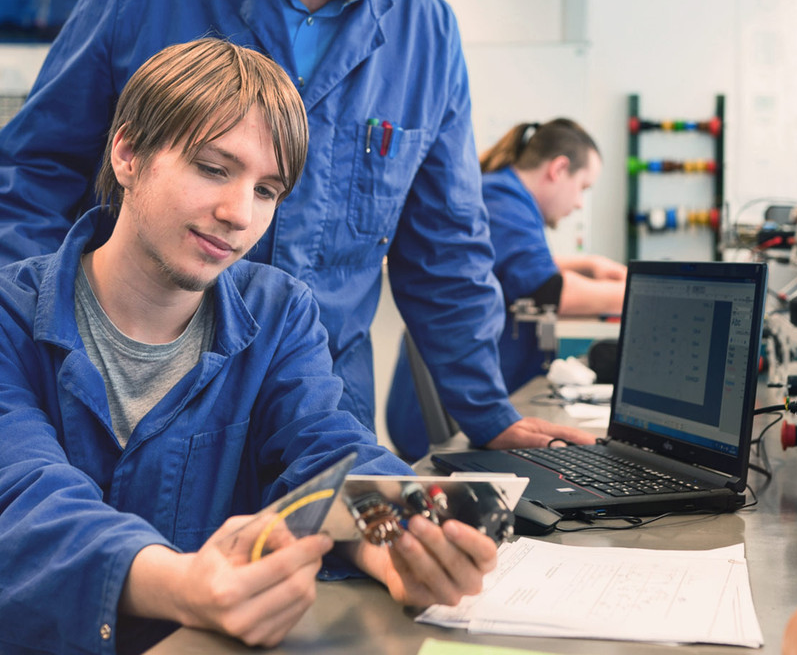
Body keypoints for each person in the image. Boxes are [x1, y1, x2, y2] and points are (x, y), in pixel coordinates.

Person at [0, 0, 590, 454]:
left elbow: (447, 249)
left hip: (320, 402)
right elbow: (36, 176)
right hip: (130, 390)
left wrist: (490, 415)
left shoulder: (426, 34)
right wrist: (36, 347)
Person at [0, 39, 498, 655]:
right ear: (128, 154)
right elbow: (22, 496)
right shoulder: (9, 316)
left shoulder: (280, 314)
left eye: (267, 190)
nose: (239, 214)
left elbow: (327, 453)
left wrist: (397, 544)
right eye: (213, 168)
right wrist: (185, 583)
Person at [387, 119, 626, 460]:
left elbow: (503, 266)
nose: (578, 204)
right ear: (559, 169)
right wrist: (639, 293)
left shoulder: (505, 195)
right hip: (452, 424)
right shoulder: (502, 200)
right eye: (583, 188)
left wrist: (588, 264)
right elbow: (546, 290)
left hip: (460, 409)